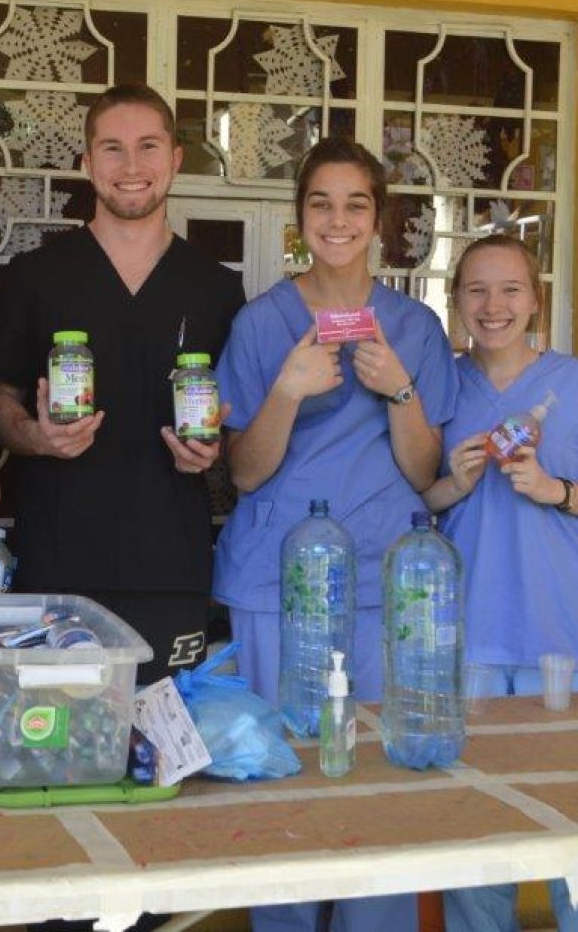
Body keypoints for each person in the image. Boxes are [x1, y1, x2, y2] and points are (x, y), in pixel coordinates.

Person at [214, 137, 458, 932]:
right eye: (321, 202)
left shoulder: (413, 327)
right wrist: (285, 390)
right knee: (279, 777)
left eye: (356, 204)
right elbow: (244, 473)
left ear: (379, 221)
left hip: (382, 581)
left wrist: (400, 389)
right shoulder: (261, 325)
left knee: (375, 788)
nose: (338, 219)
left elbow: (425, 471)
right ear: (299, 219)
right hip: (273, 581)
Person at [0, 83, 244, 683]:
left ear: (176, 159)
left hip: (170, 566)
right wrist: (36, 436)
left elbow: (234, 427)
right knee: (54, 747)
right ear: (86, 163)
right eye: (112, 148)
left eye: (148, 146)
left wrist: (213, 452)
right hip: (56, 561)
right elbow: (2, 402)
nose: (132, 167)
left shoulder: (215, 287)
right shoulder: (35, 276)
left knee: (163, 754)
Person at [423, 233, 578, 932]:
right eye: (476, 290)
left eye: (510, 289)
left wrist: (556, 490)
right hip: (468, 646)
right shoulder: (441, 388)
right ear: (454, 302)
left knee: (570, 841)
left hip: (562, 641)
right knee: (478, 840)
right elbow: (409, 498)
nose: (493, 306)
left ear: (535, 300)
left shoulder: (571, 383)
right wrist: (449, 484)